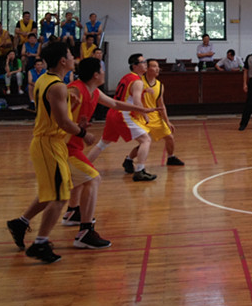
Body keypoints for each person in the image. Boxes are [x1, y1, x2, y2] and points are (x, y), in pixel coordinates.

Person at [5, 41, 95, 264]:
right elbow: (63, 122)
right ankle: (40, 243)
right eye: (71, 55)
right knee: (60, 196)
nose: (74, 58)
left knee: (53, 190)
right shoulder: (57, 86)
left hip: (51, 143)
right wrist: (84, 133)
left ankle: (21, 223)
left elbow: (55, 115)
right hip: (48, 145)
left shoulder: (45, 80)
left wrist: (73, 112)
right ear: (63, 61)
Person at [61, 57, 160, 247]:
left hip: (82, 138)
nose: (104, 73)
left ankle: (72, 212)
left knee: (82, 175)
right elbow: (59, 117)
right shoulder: (74, 91)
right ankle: (84, 232)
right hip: (63, 145)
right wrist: (82, 131)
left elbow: (115, 103)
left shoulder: (95, 90)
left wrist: (142, 109)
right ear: (95, 74)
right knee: (89, 180)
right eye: (102, 70)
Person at [86, 54, 157, 181]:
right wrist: (145, 114)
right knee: (145, 140)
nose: (145, 64)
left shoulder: (127, 77)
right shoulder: (138, 81)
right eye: (142, 62)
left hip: (112, 113)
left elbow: (126, 93)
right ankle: (140, 170)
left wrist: (144, 91)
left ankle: (83, 166)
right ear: (134, 66)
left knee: (103, 143)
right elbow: (136, 101)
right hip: (123, 114)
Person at [122, 59, 184, 173]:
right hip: (140, 116)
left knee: (169, 137)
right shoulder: (139, 81)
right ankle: (129, 160)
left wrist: (167, 121)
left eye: (158, 66)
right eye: (154, 66)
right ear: (147, 68)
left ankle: (171, 158)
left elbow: (161, 105)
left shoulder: (160, 85)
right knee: (144, 142)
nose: (157, 69)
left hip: (154, 116)